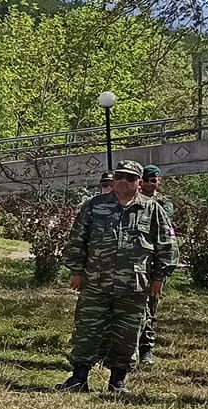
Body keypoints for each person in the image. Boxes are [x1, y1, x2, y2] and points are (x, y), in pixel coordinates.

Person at [59, 160, 173, 393]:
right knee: (87, 331)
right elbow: (77, 240)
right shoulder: (94, 206)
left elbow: (167, 246)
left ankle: (117, 381)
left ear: (139, 183)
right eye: (119, 177)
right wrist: (76, 271)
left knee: (127, 333)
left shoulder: (152, 210)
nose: (123, 181)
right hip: (95, 282)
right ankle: (79, 378)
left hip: (134, 286)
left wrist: (159, 277)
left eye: (130, 178)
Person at [135, 164, 178, 365]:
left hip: (152, 265)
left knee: (150, 309)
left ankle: (146, 349)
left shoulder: (162, 204)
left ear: (158, 181)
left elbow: (166, 230)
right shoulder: (129, 200)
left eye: (153, 180)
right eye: (146, 180)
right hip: (134, 264)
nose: (150, 184)